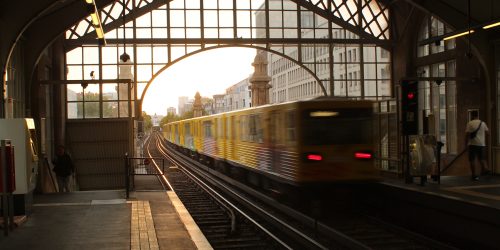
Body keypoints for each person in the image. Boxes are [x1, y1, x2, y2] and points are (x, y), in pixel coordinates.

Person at [465, 111, 489, 180]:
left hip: (473, 144)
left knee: (472, 160)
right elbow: (488, 133)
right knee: (482, 158)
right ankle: (486, 168)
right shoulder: (483, 123)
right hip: (482, 144)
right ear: (477, 115)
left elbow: (467, 135)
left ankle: (474, 175)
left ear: (472, 116)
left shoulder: (470, 123)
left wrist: (466, 144)